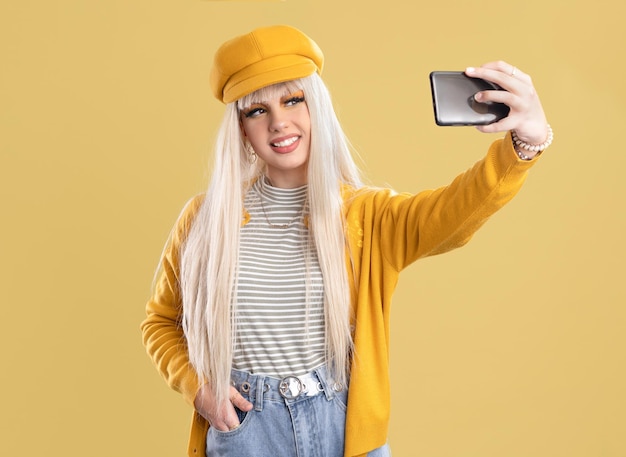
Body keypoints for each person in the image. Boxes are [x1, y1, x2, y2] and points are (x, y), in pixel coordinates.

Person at [141, 24, 552, 457]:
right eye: (256, 110)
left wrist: (525, 143)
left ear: (316, 105)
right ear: (241, 128)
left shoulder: (365, 216)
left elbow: (454, 213)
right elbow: (160, 322)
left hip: (340, 426)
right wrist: (198, 387)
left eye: (292, 99)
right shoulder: (202, 220)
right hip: (244, 429)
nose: (279, 122)